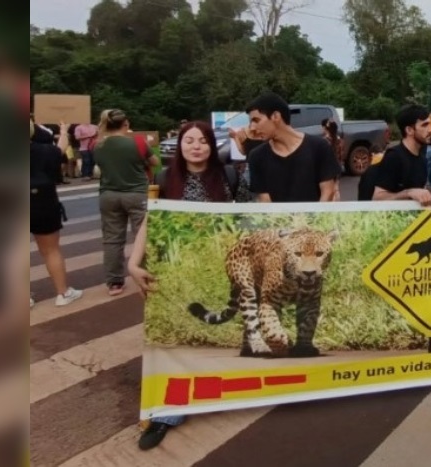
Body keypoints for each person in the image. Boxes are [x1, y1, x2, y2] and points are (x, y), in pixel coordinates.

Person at [128, 121, 252, 451]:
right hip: (174, 271)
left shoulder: (228, 177)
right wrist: (132, 262)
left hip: (218, 269)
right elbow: (150, 222)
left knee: (219, 332)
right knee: (175, 336)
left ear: (212, 146)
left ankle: (220, 388)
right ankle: (167, 413)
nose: (195, 146)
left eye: (202, 141)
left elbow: (248, 217)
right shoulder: (164, 179)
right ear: (180, 146)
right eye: (189, 141)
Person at [93, 109, 156, 296]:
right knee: (142, 237)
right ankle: (145, 275)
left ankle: (114, 282)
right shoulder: (137, 142)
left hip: (108, 195)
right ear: (126, 124)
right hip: (137, 194)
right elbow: (154, 162)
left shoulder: (97, 145)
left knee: (112, 239)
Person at [245, 93, 340, 202]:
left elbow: (328, 192)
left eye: (256, 120)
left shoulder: (319, 147)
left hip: (315, 218)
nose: (251, 128)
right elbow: (265, 201)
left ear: (276, 116)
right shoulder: (257, 157)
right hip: (278, 219)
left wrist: (314, 218)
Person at [30, 122, 83, 307]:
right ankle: (63, 293)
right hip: (42, 202)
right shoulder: (45, 150)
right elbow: (62, 147)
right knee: (51, 250)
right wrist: (63, 131)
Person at [370, 104, 431, 206]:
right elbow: (377, 198)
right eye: (425, 125)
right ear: (409, 130)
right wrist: (408, 193)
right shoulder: (394, 157)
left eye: (430, 124)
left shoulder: (422, 155)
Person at [320, 118, 344, 200]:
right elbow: (341, 156)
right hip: (337, 169)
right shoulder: (339, 140)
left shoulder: (324, 141)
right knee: (336, 189)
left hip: (327, 170)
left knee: (327, 192)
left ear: (325, 128)